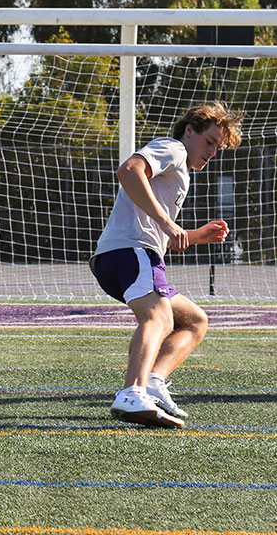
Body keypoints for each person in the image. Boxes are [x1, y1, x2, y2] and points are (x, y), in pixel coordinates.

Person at [91, 102, 244, 428]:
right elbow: (128, 170)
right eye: (210, 142)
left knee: (194, 321)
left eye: (218, 147)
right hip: (130, 253)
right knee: (158, 317)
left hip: (127, 257)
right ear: (190, 131)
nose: (213, 152)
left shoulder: (180, 170)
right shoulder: (173, 148)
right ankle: (132, 392)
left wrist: (195, 235)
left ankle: (153, 382)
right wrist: (166, 223)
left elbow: (157, 226)